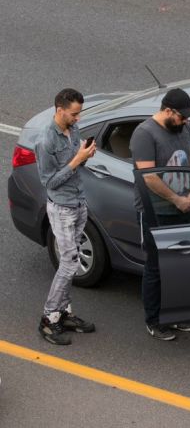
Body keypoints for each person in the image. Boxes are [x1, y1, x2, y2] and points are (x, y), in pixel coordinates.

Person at [129, 88, 190, 340]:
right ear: (168, 111)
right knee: (156, 268)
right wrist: (177, 199)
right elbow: (149, 177)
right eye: (182, 117)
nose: (186, 122)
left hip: (184, 207)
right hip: (156, 213)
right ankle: (155, 320)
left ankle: (177, 315)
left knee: (180, 266)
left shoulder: (182, 129)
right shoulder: (144, 134)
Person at [35, 88, 97, 345]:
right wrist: (76, 160)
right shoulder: (46, 141)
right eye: (74, 114)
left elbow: (74, 165)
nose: (78, 118)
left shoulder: (73, 131)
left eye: (79, 113)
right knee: (70, 263)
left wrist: (84, 156)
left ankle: (65, 313)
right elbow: (50, 182)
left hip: (79, 202)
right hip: (61, 209)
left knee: (70, 261)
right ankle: (49, 318)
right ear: (60, 110)